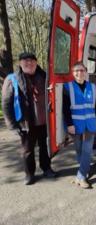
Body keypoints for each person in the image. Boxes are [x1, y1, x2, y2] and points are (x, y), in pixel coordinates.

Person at [1, 52, 57, 185]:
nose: (29, 63)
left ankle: (47, 168)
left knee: (45, 147)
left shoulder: (45, 76)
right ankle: (29, 174)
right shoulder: (12, 79)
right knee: (27, 150)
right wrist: (12, 125)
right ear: (20, 63)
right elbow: (6, 103)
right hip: (26, 123)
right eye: (25, 61)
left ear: (36, 63)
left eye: (32, 61)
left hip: (44, 121)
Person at [63, 61, 96, 189]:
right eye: (76, 71)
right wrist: (69, 124)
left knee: (87, 151)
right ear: (73, 73)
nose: (79, 73)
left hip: (90, 123)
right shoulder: (68, 87)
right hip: (75, 124)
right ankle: (85, 169)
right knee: (78, 150)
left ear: (85, 72)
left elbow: (95, 105)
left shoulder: (92, 87)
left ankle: (81, 177)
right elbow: (65, 108)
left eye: (82, 70)